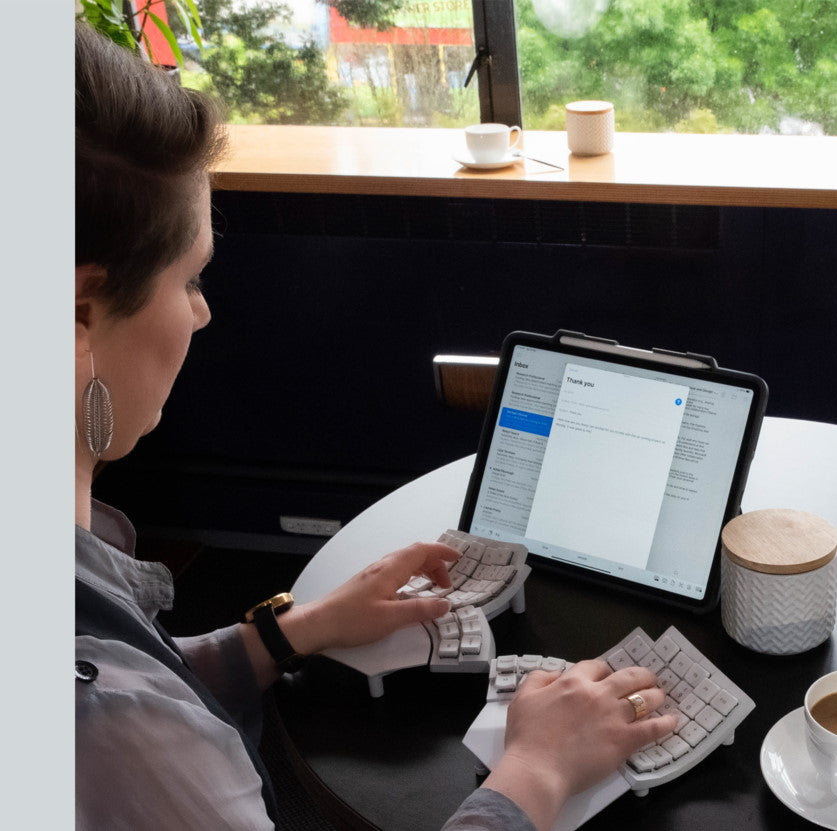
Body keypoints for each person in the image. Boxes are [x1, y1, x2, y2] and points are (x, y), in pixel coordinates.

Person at [74, 19, 677, 831]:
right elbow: (125, 705)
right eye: (191, 278)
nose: (203, 312)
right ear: (79, 312)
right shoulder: (115, 732)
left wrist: (292, 632)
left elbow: (149, 675)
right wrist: (535, 772)